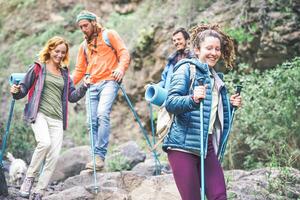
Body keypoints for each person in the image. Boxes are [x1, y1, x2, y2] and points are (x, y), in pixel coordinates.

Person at [163, 24, 242, 200]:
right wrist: (192, 99)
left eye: (217, 49)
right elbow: (170, 102)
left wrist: (229, 105)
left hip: (207, 147)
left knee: (219, 196)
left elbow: (210, 115)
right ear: (197, 50)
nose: (214, 53)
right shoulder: (186, 68)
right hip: (182, 147)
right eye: (209, 48)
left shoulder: (217, 80)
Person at [10, 36, 90, 200]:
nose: (60, 55)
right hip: (39, 114)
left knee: (53, 156)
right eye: (57, 51)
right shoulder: (38, 68)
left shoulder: (65, 74)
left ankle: (40, 191)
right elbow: (23, 89)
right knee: (44, 143)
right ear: (50, 49)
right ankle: (29, 178)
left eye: (63, 52)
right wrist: (16, 91)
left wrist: (85, 86)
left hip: (57, 119)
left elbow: (72, 97)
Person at [73, 10, 130, 173]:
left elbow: (124, 53)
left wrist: (120, 68)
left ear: (93, 22)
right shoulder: (83, 46)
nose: (83, 29)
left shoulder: (109, 35)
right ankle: (95, 158)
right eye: (80, 27)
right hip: (91, 85)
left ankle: (99, 156)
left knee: (102, 114)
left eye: (85, 25)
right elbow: (78, 71)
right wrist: (63, 83)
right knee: (91, 121)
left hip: (110, 81)